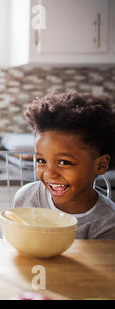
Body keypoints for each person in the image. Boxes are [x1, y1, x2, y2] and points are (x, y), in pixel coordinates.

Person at [13, 90, 115, 239]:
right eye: (41, 161)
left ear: (100, 165)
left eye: (63, 162)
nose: (49, 174)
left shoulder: (108, 223)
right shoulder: (27, 199)